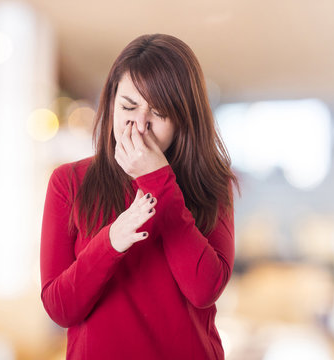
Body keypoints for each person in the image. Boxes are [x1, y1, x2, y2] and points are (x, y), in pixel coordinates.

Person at [40, 33, 239, 360]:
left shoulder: (211, 184)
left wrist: (158, 181)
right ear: (111, 103)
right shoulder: (69, 182)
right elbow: (61, 309)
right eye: (129, 106)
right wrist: (113, 240)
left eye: (159, 113)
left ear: (182, 121)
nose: (140, 124)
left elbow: (204, 289)